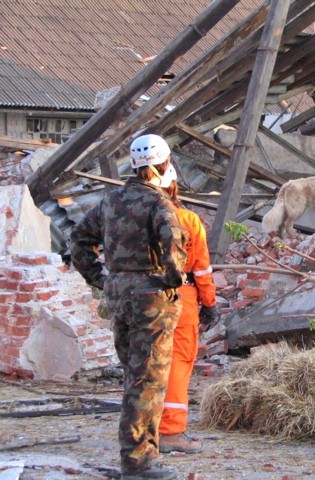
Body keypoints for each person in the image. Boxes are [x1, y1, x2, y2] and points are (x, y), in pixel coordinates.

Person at [69, 134, 187, 480]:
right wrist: (169, 281)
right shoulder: (160, 205)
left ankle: (140, 454)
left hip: (118, 294)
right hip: (150, 298)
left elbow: (79, 239)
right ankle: (138, 463)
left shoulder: (110, 201)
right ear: (164, 164)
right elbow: (175, 255)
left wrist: (102, 278)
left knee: (134, 376)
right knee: (146, 380)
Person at [158, 165, 217, 454]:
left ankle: (142, 430)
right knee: (178, 364)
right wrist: (210, 303)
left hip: (137, 299)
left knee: (144, 363)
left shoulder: (130, 216)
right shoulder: (188, 220)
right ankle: (169, 431)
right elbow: (202, 269)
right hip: (181, 299)